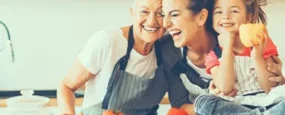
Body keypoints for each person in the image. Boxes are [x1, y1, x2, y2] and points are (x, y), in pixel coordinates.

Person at [56, 0, 191, 115]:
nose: (151, 21)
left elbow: (180, 103)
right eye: (144, 11)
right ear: (132, 13)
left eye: (160, 13)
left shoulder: (170, 48)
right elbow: (66, 86)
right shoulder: (108, 41)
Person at [160, 0, 285, 114]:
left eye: (175, 14)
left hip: (266, 100)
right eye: (219, 12)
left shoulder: (259, 42)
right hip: (236, 106)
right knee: (204, 102)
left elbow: (272, 87)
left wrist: (257, 56)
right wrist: (227, 48)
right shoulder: (212, 54)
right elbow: (225, 88)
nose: (225, 16)